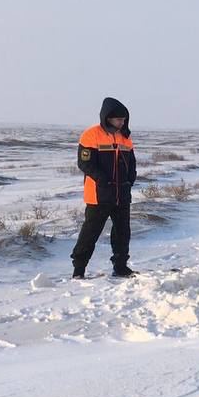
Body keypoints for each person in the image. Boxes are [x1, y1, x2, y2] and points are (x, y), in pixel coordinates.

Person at [71, 97, 137, 278]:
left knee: (123, 233)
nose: (122, 122)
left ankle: (121, 267)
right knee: (90, 234)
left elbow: (131, 164)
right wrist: (103, 179)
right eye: (118, 119)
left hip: (122, 195)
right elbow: (85, 163)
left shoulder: (125, 137)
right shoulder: (91, 135)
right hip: (98, 195)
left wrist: (130, 180)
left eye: (124, 119)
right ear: (108, 118)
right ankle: (79, 270)